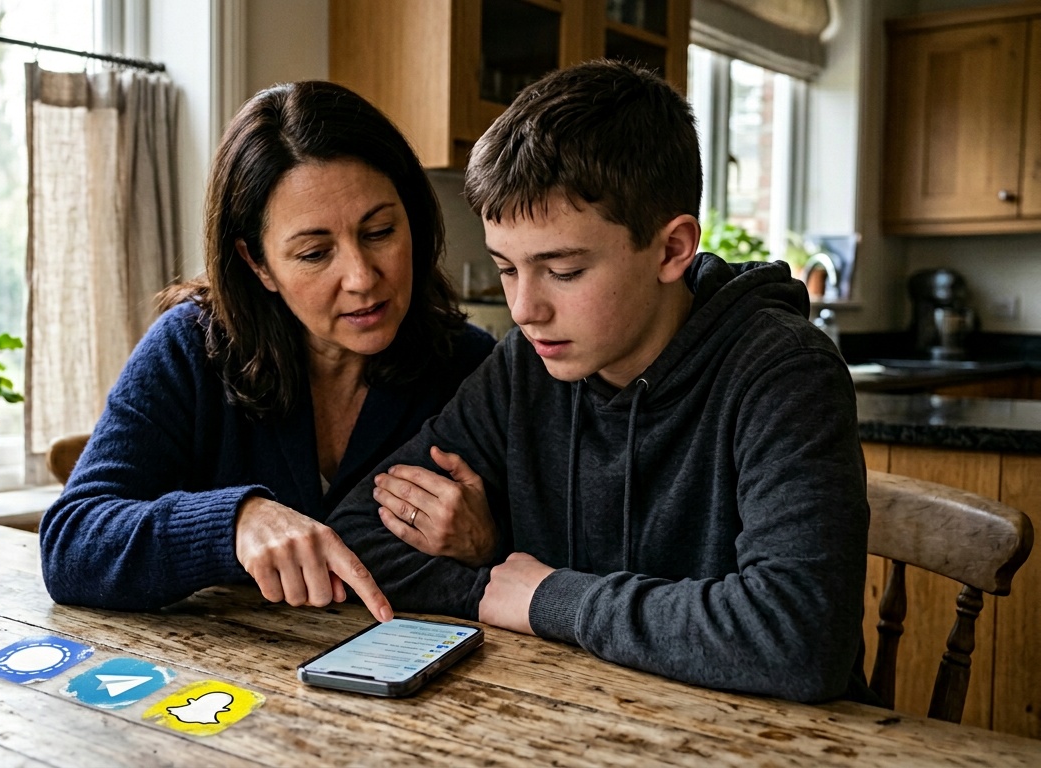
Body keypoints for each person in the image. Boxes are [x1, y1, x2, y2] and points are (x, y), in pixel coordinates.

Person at [327, 60, 872, 703]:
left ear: (672, 250)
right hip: (583, 719)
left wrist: (549, 598)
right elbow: (357, 534)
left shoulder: (783, 373)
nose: (525, 309)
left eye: (562, 270)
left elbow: (800, 639)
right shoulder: (524, 365)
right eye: (507, 270)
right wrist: (498, 581)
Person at [39, 81, 498, 618]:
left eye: (379, 232)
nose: (361, 277)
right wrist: (235, 522)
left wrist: (486, 542)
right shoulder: (190, 348)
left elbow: (553, 564)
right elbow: (71, 544)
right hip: (225, 687)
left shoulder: (469, 365)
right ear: (258, 264)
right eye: (314, 253)